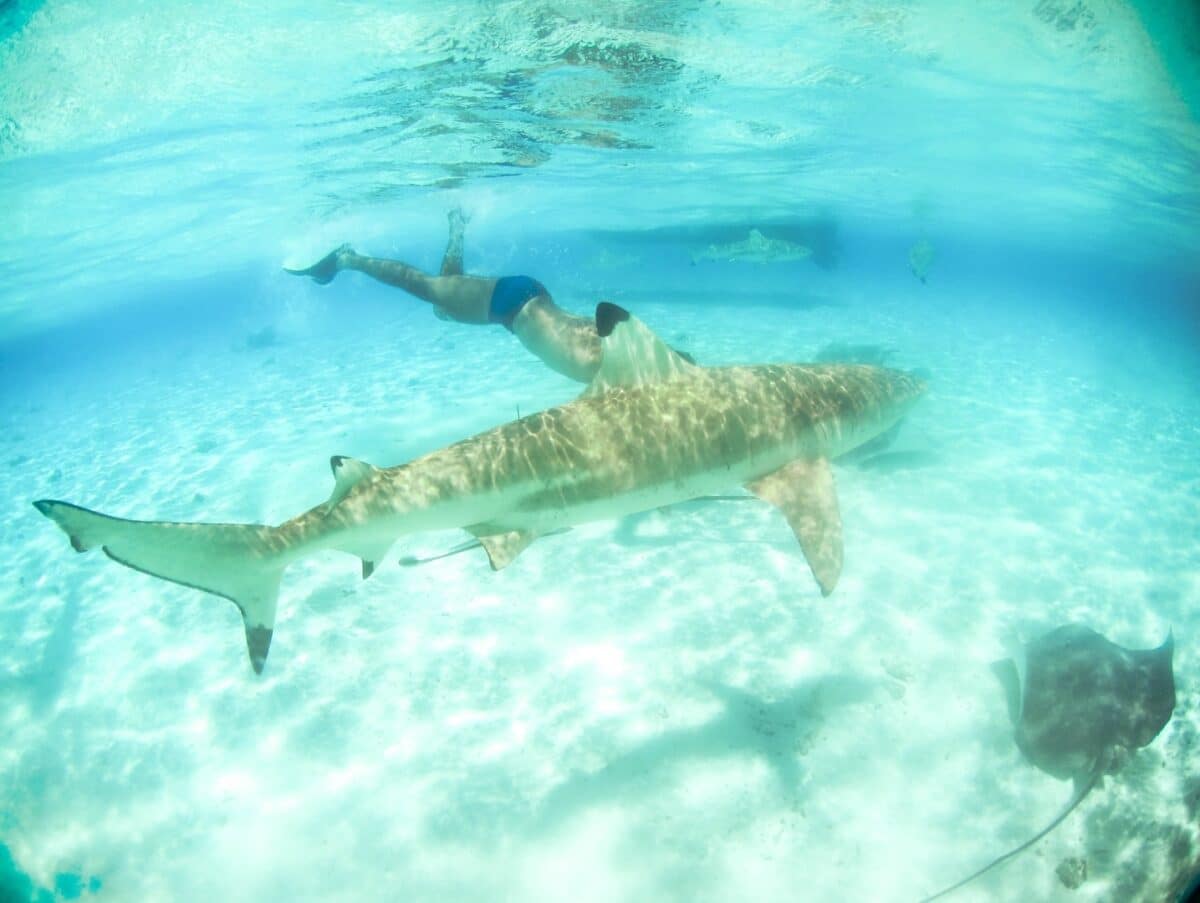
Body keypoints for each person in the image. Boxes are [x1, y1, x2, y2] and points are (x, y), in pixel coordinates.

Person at [285, 209, 605, 383]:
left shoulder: (620, 362)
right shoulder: (607, 370)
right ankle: (345, 259)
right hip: (513, 306)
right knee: (421, 285)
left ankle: (456, 226)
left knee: (443, 291)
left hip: (526, 301)